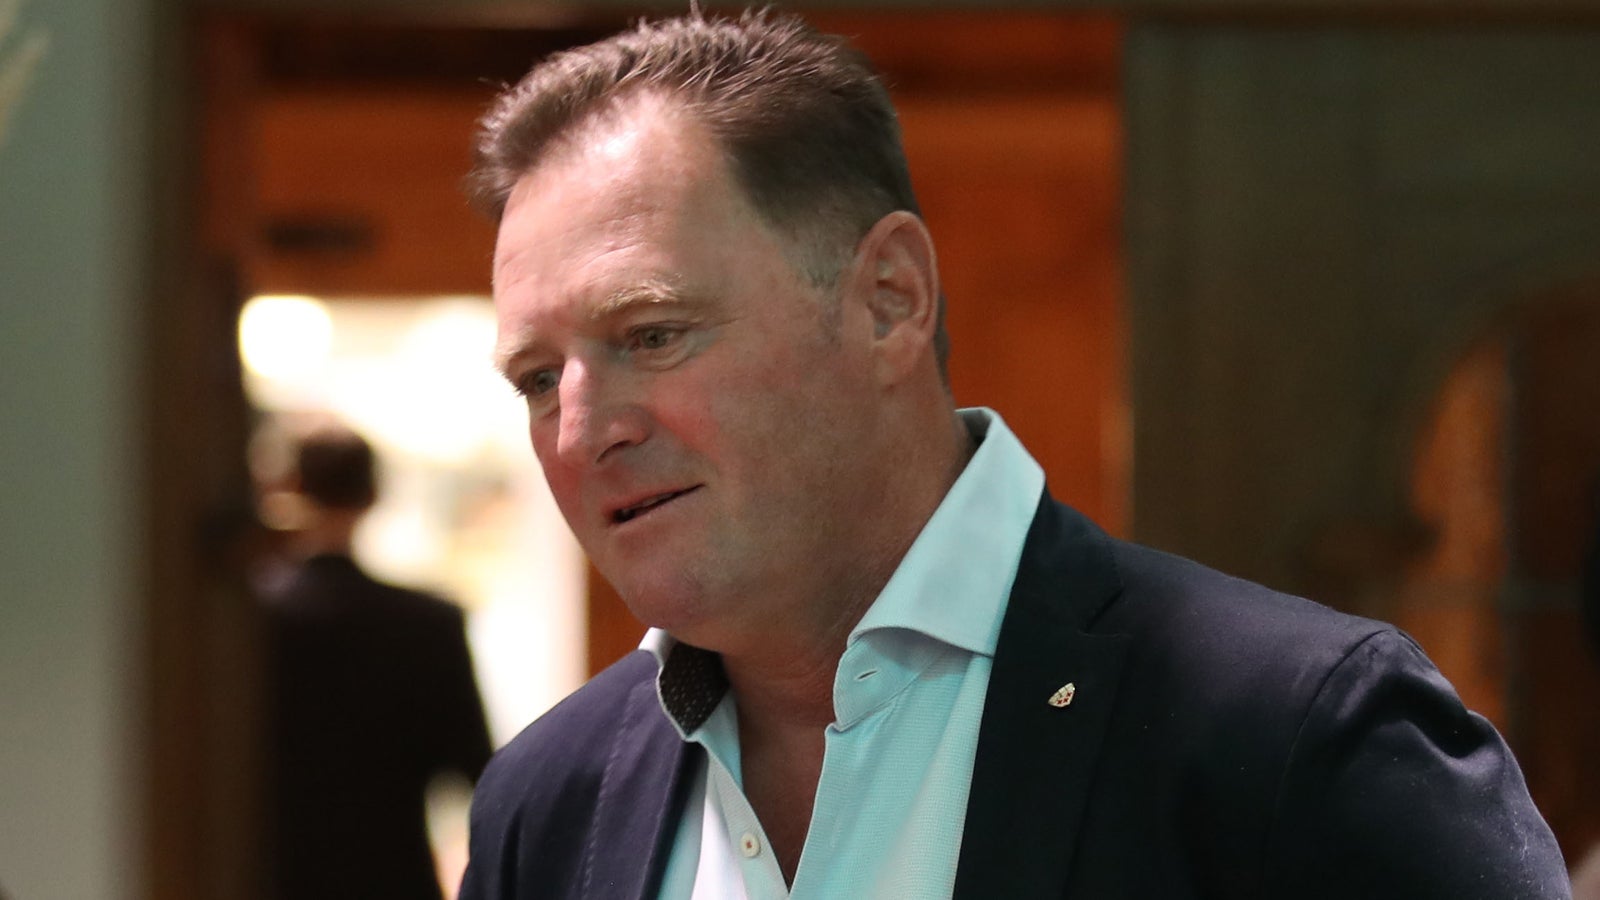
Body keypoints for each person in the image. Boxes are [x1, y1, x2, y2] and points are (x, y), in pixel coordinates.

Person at [459, 10, 1569, 899]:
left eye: (652, 334)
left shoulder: (1301, 737)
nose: (582, 430)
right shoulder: (547, 805)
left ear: (890, 299)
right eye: (538, 379)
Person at [259, 424, 494, 900]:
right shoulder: (428, 624)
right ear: (372, 495)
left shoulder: (252, 625)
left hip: (272, 878)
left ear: (289, 487)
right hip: (393, 878)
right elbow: (478, 771)